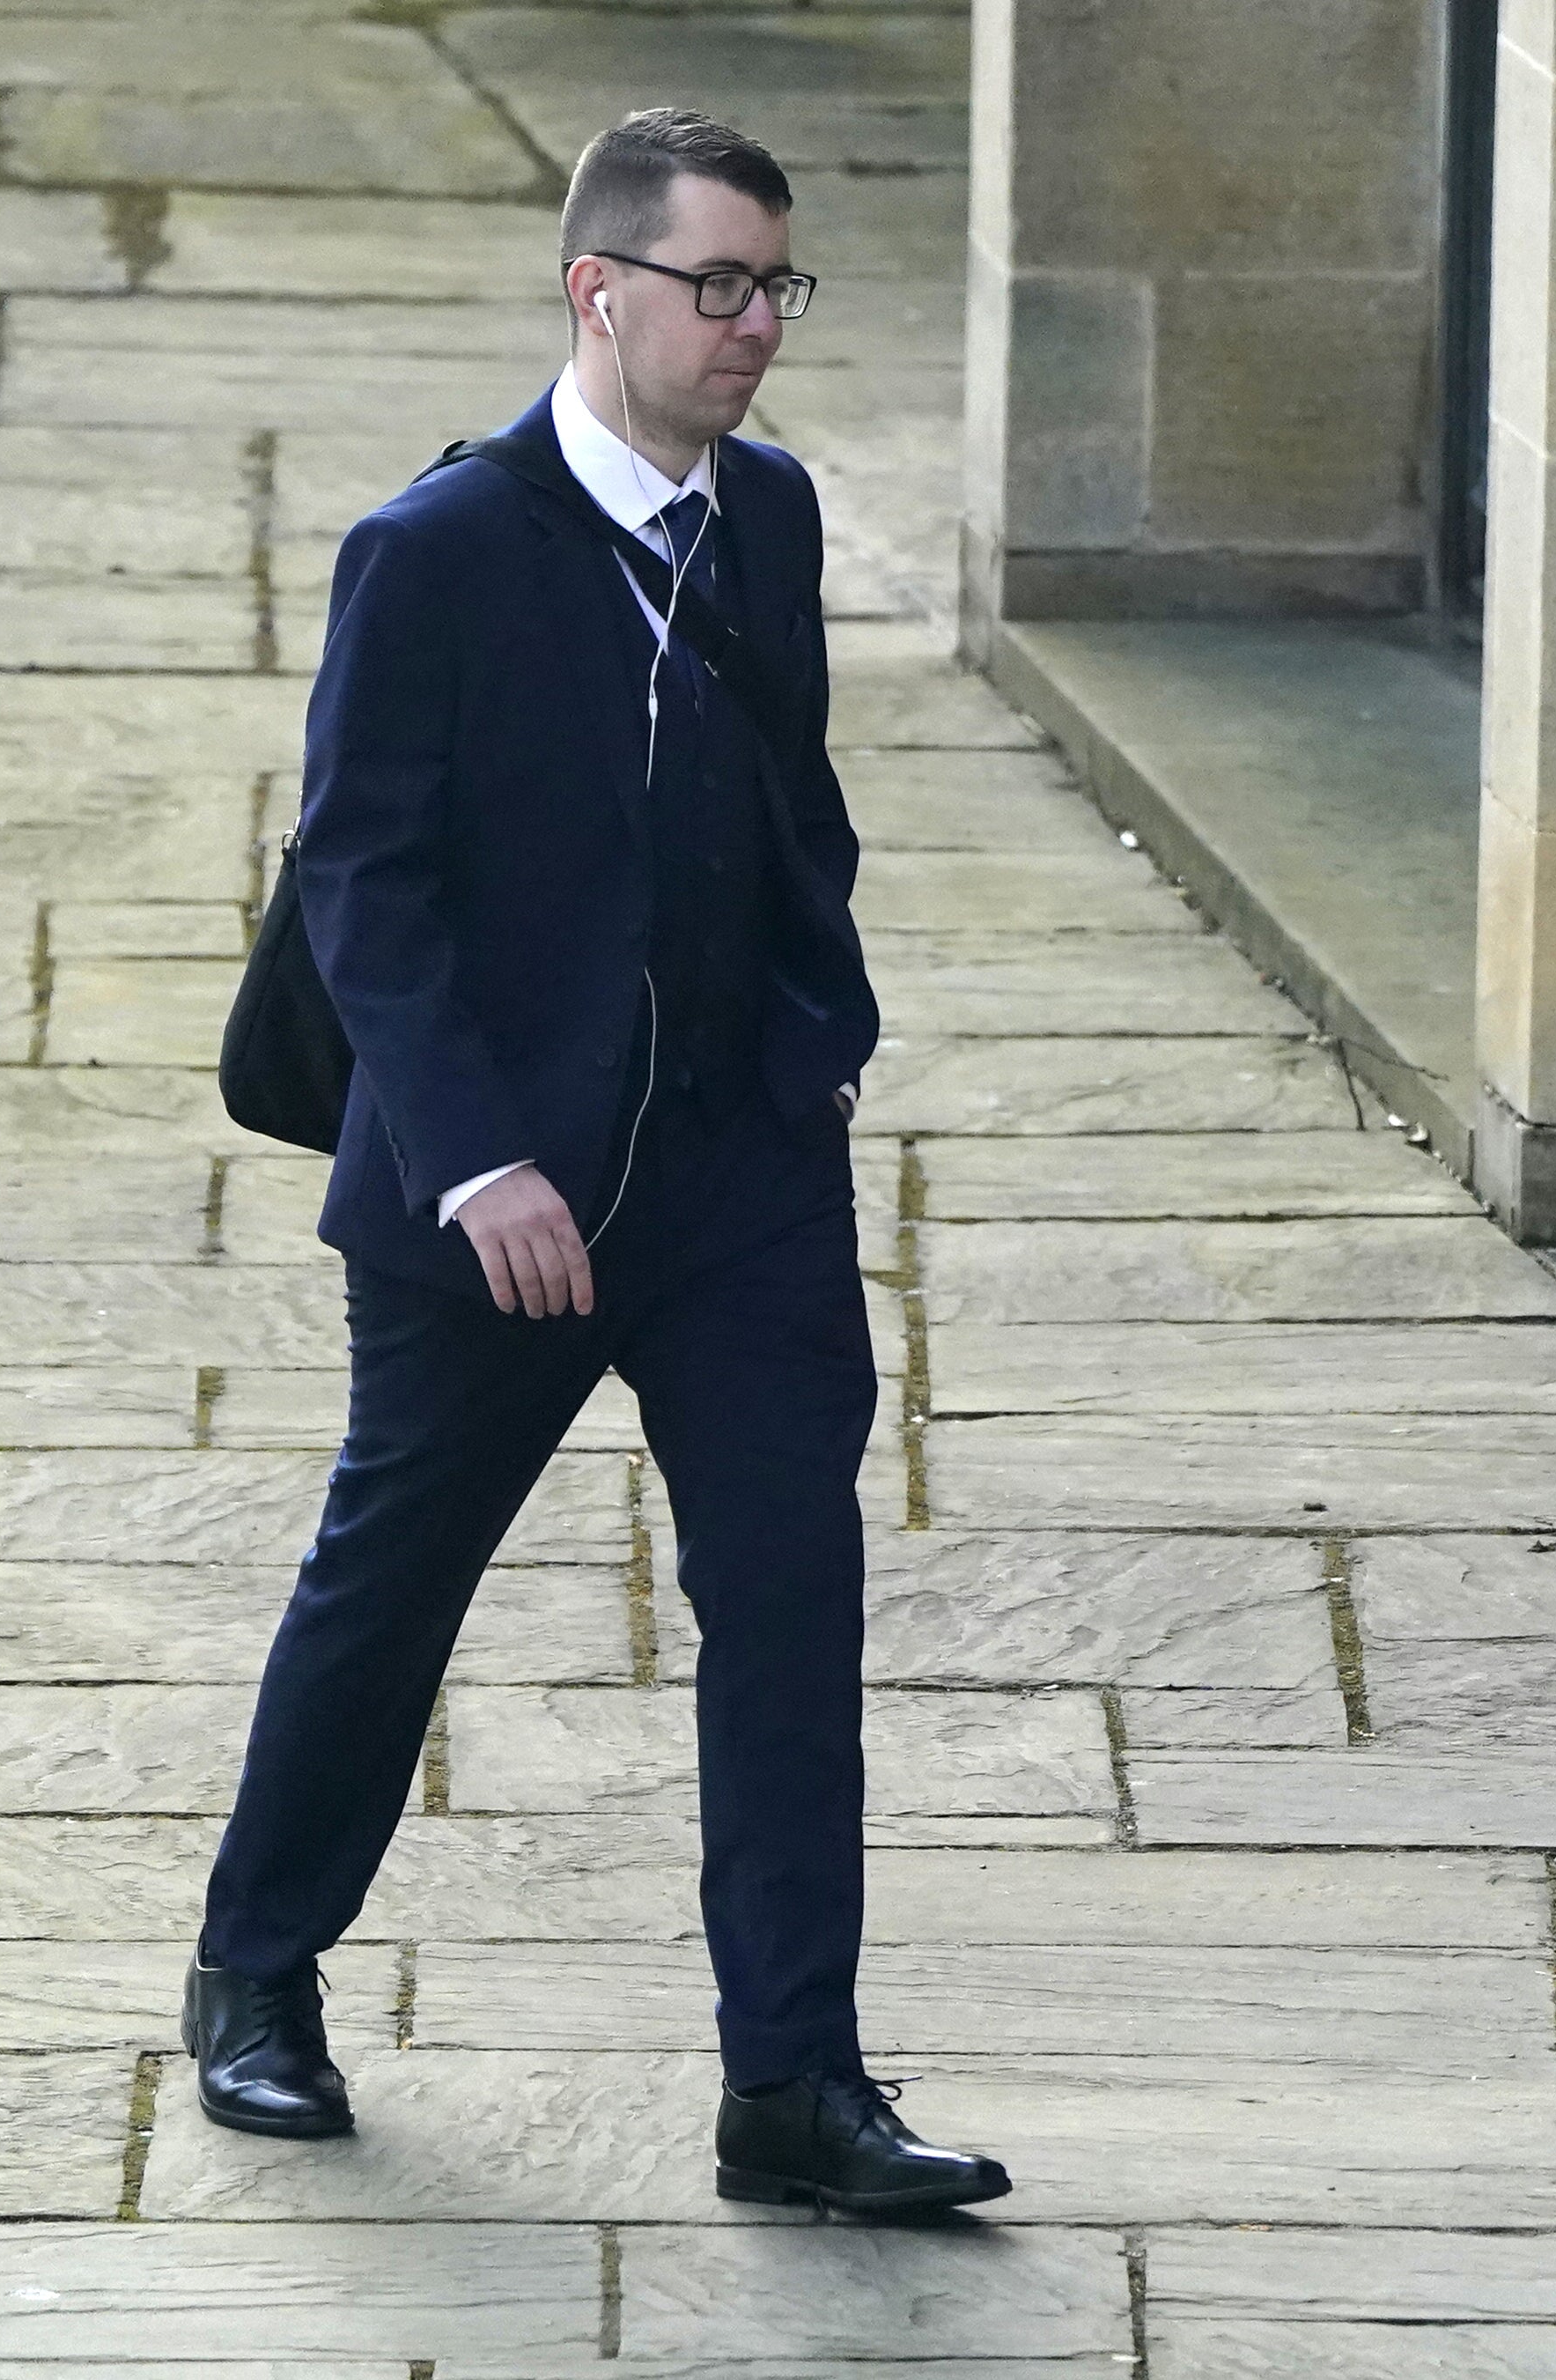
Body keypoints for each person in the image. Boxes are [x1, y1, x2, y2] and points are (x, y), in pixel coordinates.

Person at [181, 106, 1007, 2217]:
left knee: (793, 1612)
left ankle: (794, 2087)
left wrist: (821, 1054)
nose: (754, 330)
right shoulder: (435, 551)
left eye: (776, 290)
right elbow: (363, 879)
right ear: (600, 290)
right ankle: (254, 1982)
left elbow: (795, 810)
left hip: (740, 1184)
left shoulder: (777, 518)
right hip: (501, 1206)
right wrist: (473, 1164)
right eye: (717, 286)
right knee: (393, 1586)